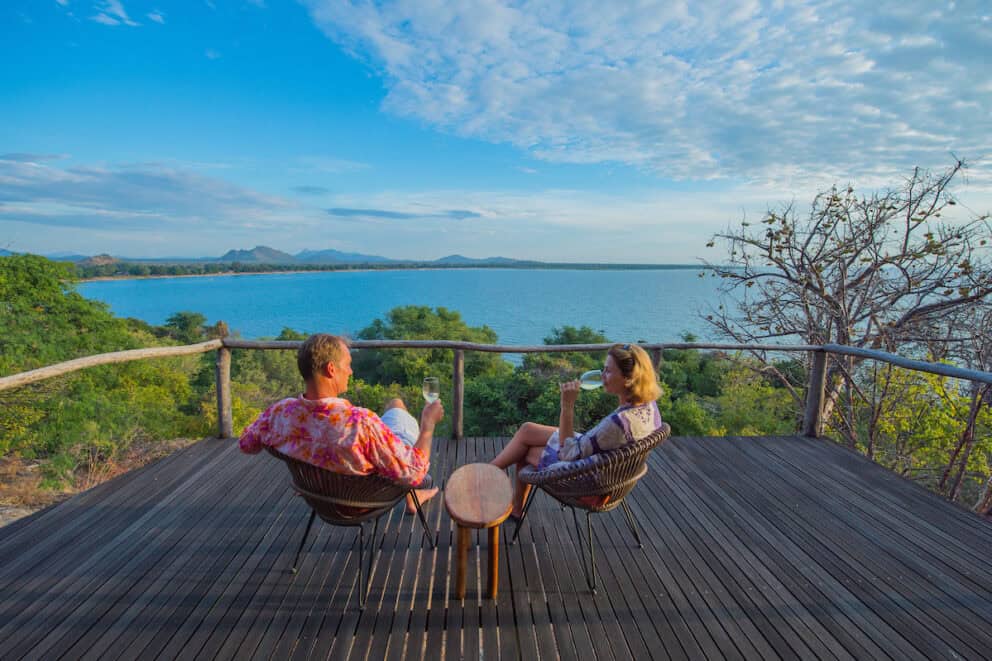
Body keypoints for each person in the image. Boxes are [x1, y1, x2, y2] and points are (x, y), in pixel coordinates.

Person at [239, 333, 443, 513]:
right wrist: (428, 425)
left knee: (392, 413)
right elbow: (416, 473)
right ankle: (413, 496)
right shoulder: (360, 423)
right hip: (363, 500)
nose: (351, 371)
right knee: (399, 412)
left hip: (319, 498)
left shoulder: (280, 412)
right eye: (347, 365)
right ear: (331, 369)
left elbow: (246, 444)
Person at [491, 343, 664, 517]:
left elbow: (567, 453)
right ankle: (494, 477)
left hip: (594, 484)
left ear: (629, 379)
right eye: (603, 369)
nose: (602, 376)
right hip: (614, 473)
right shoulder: (649, 406)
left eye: (608, 371)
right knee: (528, 430)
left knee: (526, 451)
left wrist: (566, 406)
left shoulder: (617, 424)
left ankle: (486, 478)